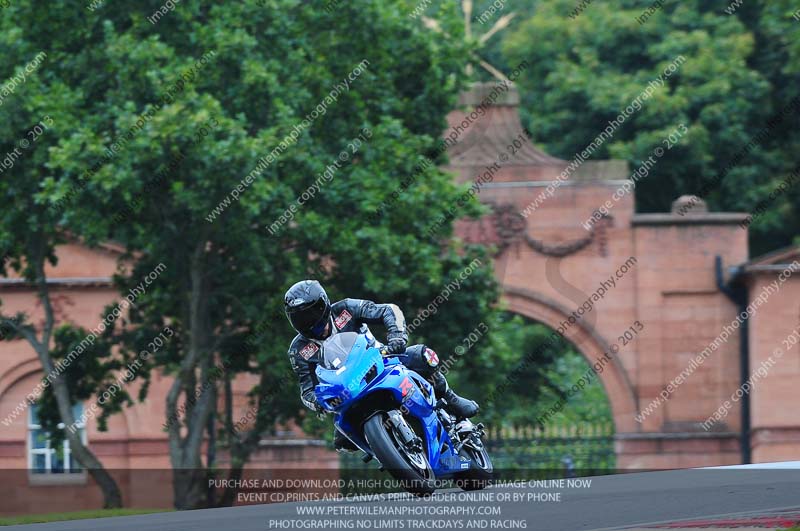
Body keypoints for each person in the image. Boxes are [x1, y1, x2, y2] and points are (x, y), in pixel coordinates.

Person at [284, 279, 479, 452]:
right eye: (300, 318)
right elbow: (306, 390)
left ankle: (451, 399)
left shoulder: (346, 309)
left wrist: (397, 336)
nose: (307, 322)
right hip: (348, 390)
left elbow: (388, 310)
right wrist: (318, 402)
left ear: (323, 305)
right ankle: (390, 450)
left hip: (382, 361)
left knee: (421, 356)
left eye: (310, 313)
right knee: (344, 438)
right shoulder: (298, 349)